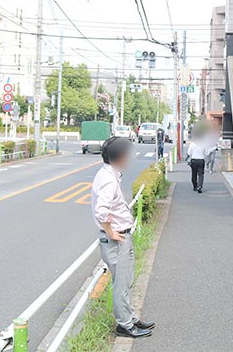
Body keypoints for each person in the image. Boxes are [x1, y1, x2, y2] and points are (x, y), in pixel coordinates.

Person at [91, 137, 155, 338]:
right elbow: (102, 211)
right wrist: (110, 231)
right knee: (121, 283)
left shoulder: (109, 174)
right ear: (120, 157)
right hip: (116, 240)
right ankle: (125, 325)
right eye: (129, 154)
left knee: (125, 281)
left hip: (118, 238)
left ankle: (130, 318)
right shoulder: (109, 180)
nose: (131, 158)